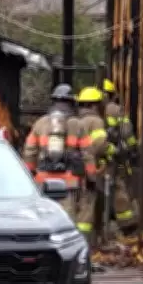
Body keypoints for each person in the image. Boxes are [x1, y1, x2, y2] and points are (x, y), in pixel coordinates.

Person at [22, 84, 83, 218]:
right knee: (66, 218)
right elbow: (87, 153)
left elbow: (29, 151)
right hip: (68, 182)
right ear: (72, 102)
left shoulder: (40, 123)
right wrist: (89, 176)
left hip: (43, 180)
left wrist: (30, 174)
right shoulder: (77, 124)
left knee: (44, 216)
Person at [75, 86, 116, 244]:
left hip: (75, 168)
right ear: (94, 105)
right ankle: (88, 242)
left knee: (78, 204)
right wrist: (112, 150)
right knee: (90, 204)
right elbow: (99, 144)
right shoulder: (96, 121)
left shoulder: (75, 120)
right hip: (93, 167)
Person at [101, 79, 139, 234]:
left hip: (95, 157)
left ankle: (101, 221)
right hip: (115, 156)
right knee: (119, 187)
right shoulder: (116, 110)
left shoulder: (89, 111)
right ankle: (126, 223)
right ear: (112, 94)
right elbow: (126, 132)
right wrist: (132, 148)